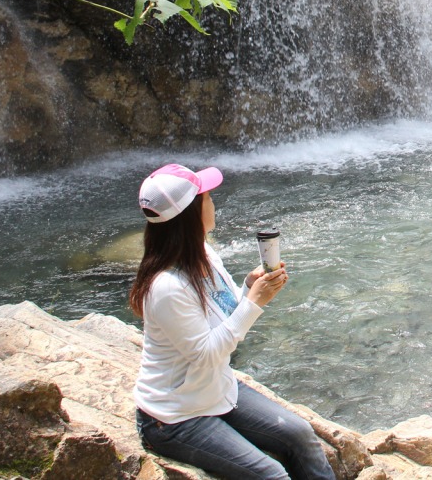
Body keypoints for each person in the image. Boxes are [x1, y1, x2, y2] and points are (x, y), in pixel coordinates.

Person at [129, 163, 336, 480]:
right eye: (208, 197)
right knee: (273, 476)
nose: (214, 203)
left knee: (301, 435)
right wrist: (254, 302)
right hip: (174, 417)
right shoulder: (166, 287)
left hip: (215, 389)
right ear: (191, 213)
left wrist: (248, 288)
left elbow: (222, 313)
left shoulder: (203, 254)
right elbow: (206, 353)